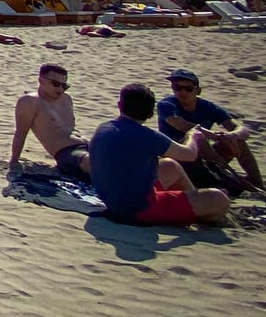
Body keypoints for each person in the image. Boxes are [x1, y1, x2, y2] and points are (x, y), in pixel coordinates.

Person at [88, 83, 230, 226]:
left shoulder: (104, 128)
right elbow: (189, 154)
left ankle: (193, 202)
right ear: (150, 113)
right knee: (219, 198)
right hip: (139, 209)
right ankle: (202, 213)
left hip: (113, 199)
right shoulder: (147, 135)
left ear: (120, 105)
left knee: (170, 165)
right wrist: (192, 136)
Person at [157, 69, 263, 192]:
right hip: (179, 162)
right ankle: (234, 179)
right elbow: (182, 125)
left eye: (188, 88)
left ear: (197, 90)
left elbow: (241, 129)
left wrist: (232, 136)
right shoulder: (167, 105)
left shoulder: (207, 107)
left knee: (237, 141)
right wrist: (216, 136)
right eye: (177, 87)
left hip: (205, 161)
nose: (182, 92)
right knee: (198, 139)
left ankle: (257, 183)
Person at [10, 63, 90, 178]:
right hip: (68, 153)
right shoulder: (30, 102)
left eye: (64, 86)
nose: (60, 89)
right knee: (94, 163)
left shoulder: (66, 99)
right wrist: (14, 161)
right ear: (41, 81)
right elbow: (21, 133)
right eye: (56, 84)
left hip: (88, 147)